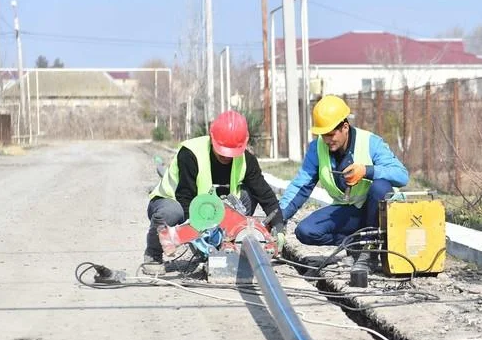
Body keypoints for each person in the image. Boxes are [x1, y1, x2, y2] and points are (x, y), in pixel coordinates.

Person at [278, 94, 409, 268]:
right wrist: (279, 217)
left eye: (331, 135)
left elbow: (402, 175)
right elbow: (301, 186)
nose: (327, 140)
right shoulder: (317, 148)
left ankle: (370, 250)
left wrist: (367, 171)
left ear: (345, 127)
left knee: (380, 187)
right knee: (305, 232)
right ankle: (356, 244)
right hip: (350, 212)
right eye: (323, 135)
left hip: (378, 214)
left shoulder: (370, 142)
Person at [144, 110, 285, 268]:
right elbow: (185, 198)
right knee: (172, 212)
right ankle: (153, 254)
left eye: (231, 153)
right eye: (222, 151)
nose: (226, 157)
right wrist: (199, 235)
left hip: (212, 210)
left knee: (248, 195)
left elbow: (265, 195)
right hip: (172, 203)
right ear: (212, 138)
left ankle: (227, 243)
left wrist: (279, 227)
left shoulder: (247, 160)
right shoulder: (190, 154)